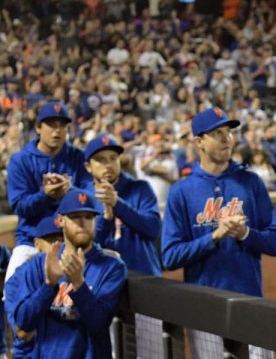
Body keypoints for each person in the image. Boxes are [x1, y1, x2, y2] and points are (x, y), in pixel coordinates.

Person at [161, 107, 276, 359]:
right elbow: (171, 257)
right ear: (199, 142)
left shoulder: (250, 182)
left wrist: (245, 234)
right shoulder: (181, 192)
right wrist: (214, 237)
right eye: (217, 133)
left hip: (250, 302)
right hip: (203, 308)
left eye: (228, 132)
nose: (227, 138)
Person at [4, 190, 127, 358]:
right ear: (61, 221)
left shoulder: (112, 267)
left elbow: (99, 323)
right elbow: (23, 322)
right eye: (75, 216)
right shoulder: (40, 264)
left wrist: (79, 285)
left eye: (89, 217)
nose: (82, 223)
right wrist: (48, 286)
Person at [82, 134, 164, 358]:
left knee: (151, 353)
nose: (108, 164)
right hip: (102, 286)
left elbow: (152, 229)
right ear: (88, 167)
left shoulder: (140, 188)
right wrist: (107, 217)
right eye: (100, 159)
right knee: (111, 352)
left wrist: (117, 203)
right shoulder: (82, 198)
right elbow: (91, 246)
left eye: (112, 158)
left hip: (143, 279)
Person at [5, 102, 89, 284]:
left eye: (62, 126)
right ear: (38, 128)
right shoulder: (20, 161)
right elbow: (20, 207)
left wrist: (71, 192)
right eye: (51, 125)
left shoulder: (78, 157)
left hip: (72, 243)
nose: (57, 131)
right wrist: (45, 195)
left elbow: (91, 198)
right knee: (11, 293)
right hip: (31, 241)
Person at [5, 216, 64, 358]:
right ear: (37, 244)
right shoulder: (16, 280)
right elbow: (24, 333)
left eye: (62, 240)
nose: (58, 245)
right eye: (51, 240)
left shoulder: (75, 272)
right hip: (29, 354)